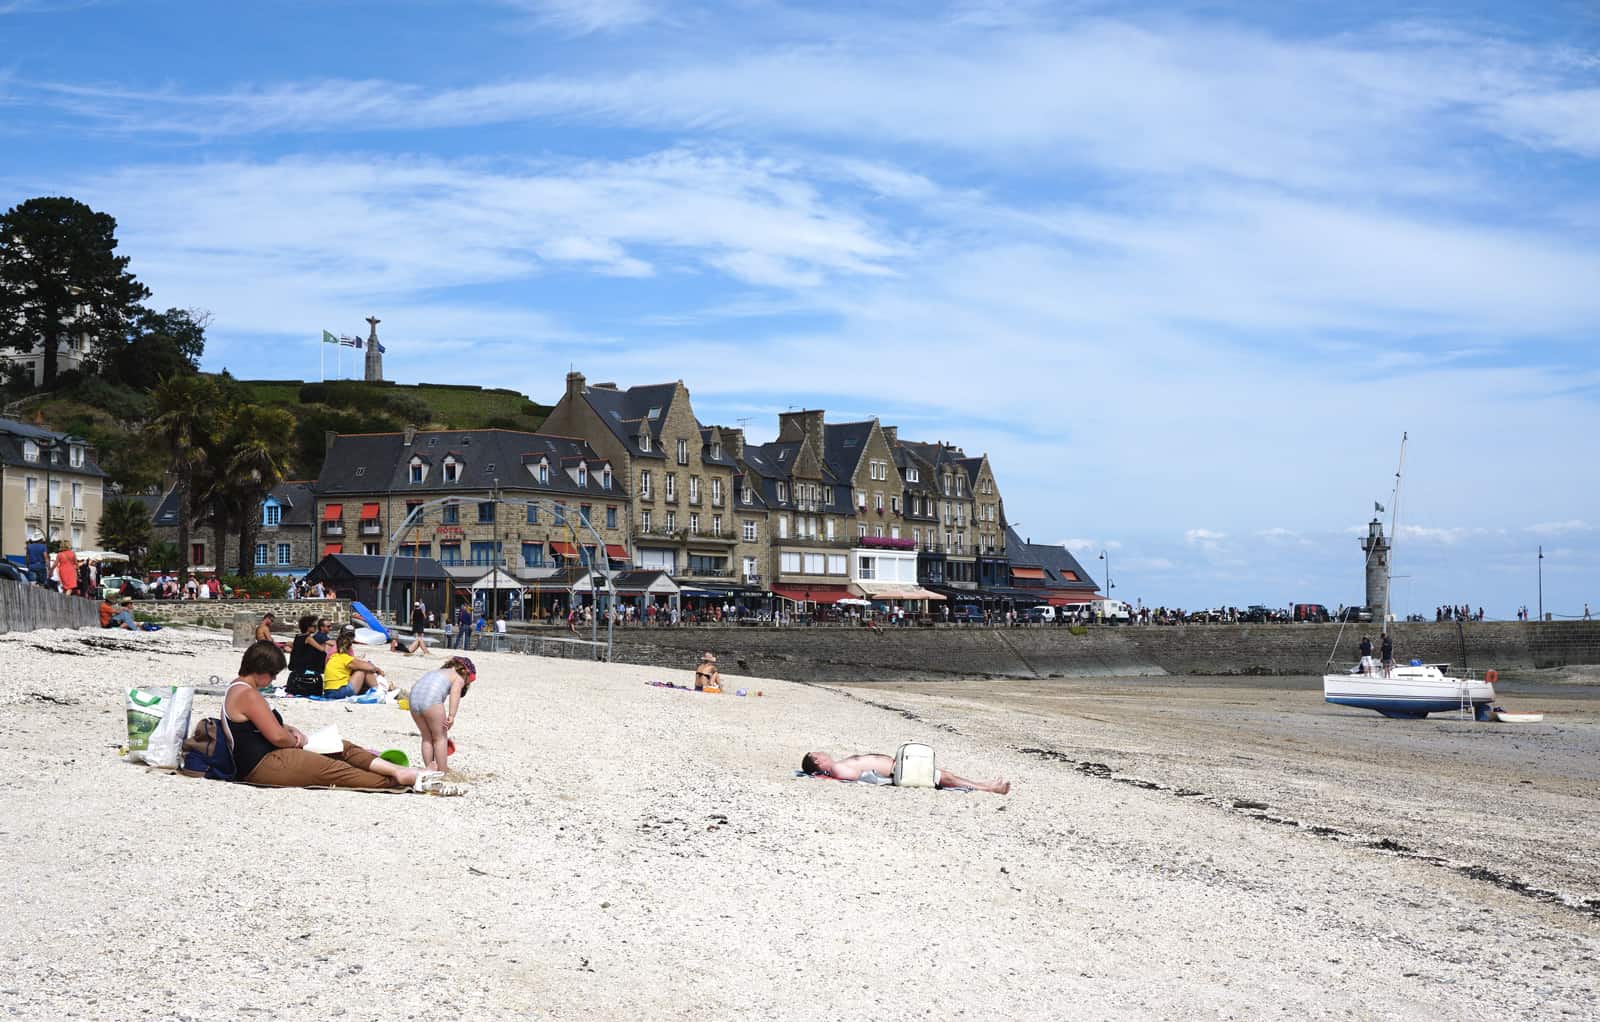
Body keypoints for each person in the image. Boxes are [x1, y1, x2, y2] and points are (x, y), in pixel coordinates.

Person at [223, 641, 456, 792]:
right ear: (262, 671)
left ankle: (397, 770)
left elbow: (266, 725)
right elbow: (277, 737)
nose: (273, 681)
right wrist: (296, 739)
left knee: (341, 747)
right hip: (264, 765)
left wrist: (290, 730)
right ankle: (400, 779)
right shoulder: (247, 694)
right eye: (272, 675)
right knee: (334, 770)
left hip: (271, 757)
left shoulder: (239, 689)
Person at [800, 751, 1010, 795]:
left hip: (899, 767)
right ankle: (989, 788)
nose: (821, 751)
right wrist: (825, 777)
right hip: (898, 771)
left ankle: (985, 785)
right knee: (946, 778)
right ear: (817, 761)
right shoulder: (837, 769)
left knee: (945, 775)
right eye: (816, 753)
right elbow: (853, 777)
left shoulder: (838, 764)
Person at [408, 656, 476, 773]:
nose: (465, 684)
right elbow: (455, 693)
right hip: (431, 699)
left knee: (426, 736)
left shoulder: (436, 672)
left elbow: (416, 686)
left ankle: (429, 769)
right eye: (468, 682)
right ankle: (442, 771)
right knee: (440, 737)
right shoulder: (458, 677)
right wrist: (452, 715)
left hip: (413, 697)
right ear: (465, 672)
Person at [321, 631, 386, 698]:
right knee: (363, 670)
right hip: (339, 692)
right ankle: (378, 690)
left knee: (362, 669)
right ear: (349, 648)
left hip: (328, 692)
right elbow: (371, 668)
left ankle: (377, 689)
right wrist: (379, 670)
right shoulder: (345, 658)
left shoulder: (333, 656)